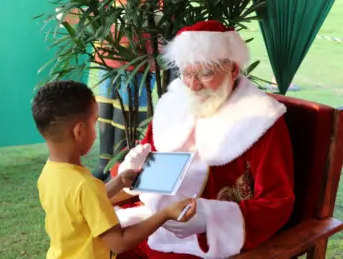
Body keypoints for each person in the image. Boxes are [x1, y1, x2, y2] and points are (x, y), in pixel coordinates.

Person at [114, 20, 295, 259]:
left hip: (209, 239)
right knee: (99, 237)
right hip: (151, 218)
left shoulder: (261, 118)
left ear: (233, 69)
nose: (193, 85)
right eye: (187, 73)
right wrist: (133, 172)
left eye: (206, 74)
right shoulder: (175, 101)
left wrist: (209, 218)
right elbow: (148, 166)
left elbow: (277, 202)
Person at [31, 80, 197, 259]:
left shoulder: (50, 173)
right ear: (79, 131)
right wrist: (165, 213)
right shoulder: (86, 185)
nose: (96, 130)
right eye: (94, 122)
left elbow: (83, 206)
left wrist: (119, 182)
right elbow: (120, 242)